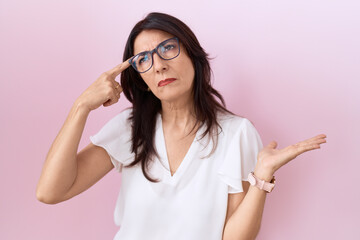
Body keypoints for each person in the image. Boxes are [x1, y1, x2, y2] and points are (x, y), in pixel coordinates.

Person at [36, 12, 327, 240]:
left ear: (193, 56)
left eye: (168, 49)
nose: (159, 65)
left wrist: (261, 178)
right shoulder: (129, 128)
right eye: (143, 60)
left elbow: (235, 238)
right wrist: (81, 107)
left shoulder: (236, 133)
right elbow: (50, 192)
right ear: (142, 80)